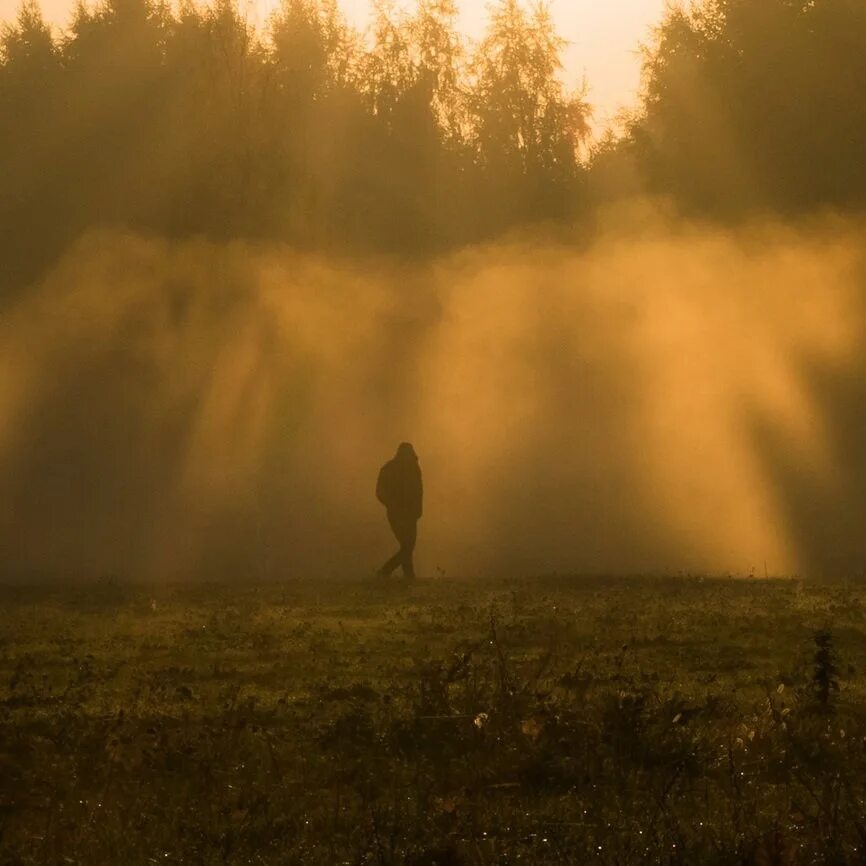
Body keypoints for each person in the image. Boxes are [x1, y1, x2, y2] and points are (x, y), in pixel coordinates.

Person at [376, 442, 423, 579]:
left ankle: (407, 575)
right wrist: (391, 503)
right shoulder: (390, 469)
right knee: (407, 545)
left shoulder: (413, 468)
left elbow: (419, 490)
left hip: (409, 513)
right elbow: (380, 491)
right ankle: (386, 571)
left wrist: (418, 508)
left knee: (407, 545)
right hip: (398, 513)